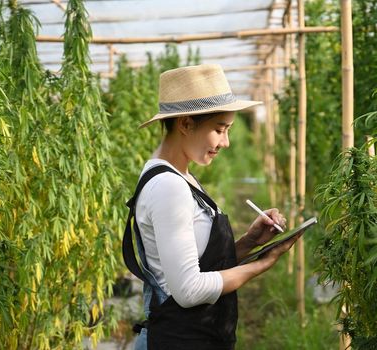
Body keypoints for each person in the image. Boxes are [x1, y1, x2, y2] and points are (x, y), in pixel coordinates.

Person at [122, 64, 301, 350]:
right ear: (185, 124)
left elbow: (197, 265)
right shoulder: (170, 187)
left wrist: (250, 242)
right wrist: (260, 265)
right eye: (219, 130)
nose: (226, 142)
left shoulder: (177, 176)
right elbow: (189, 290)